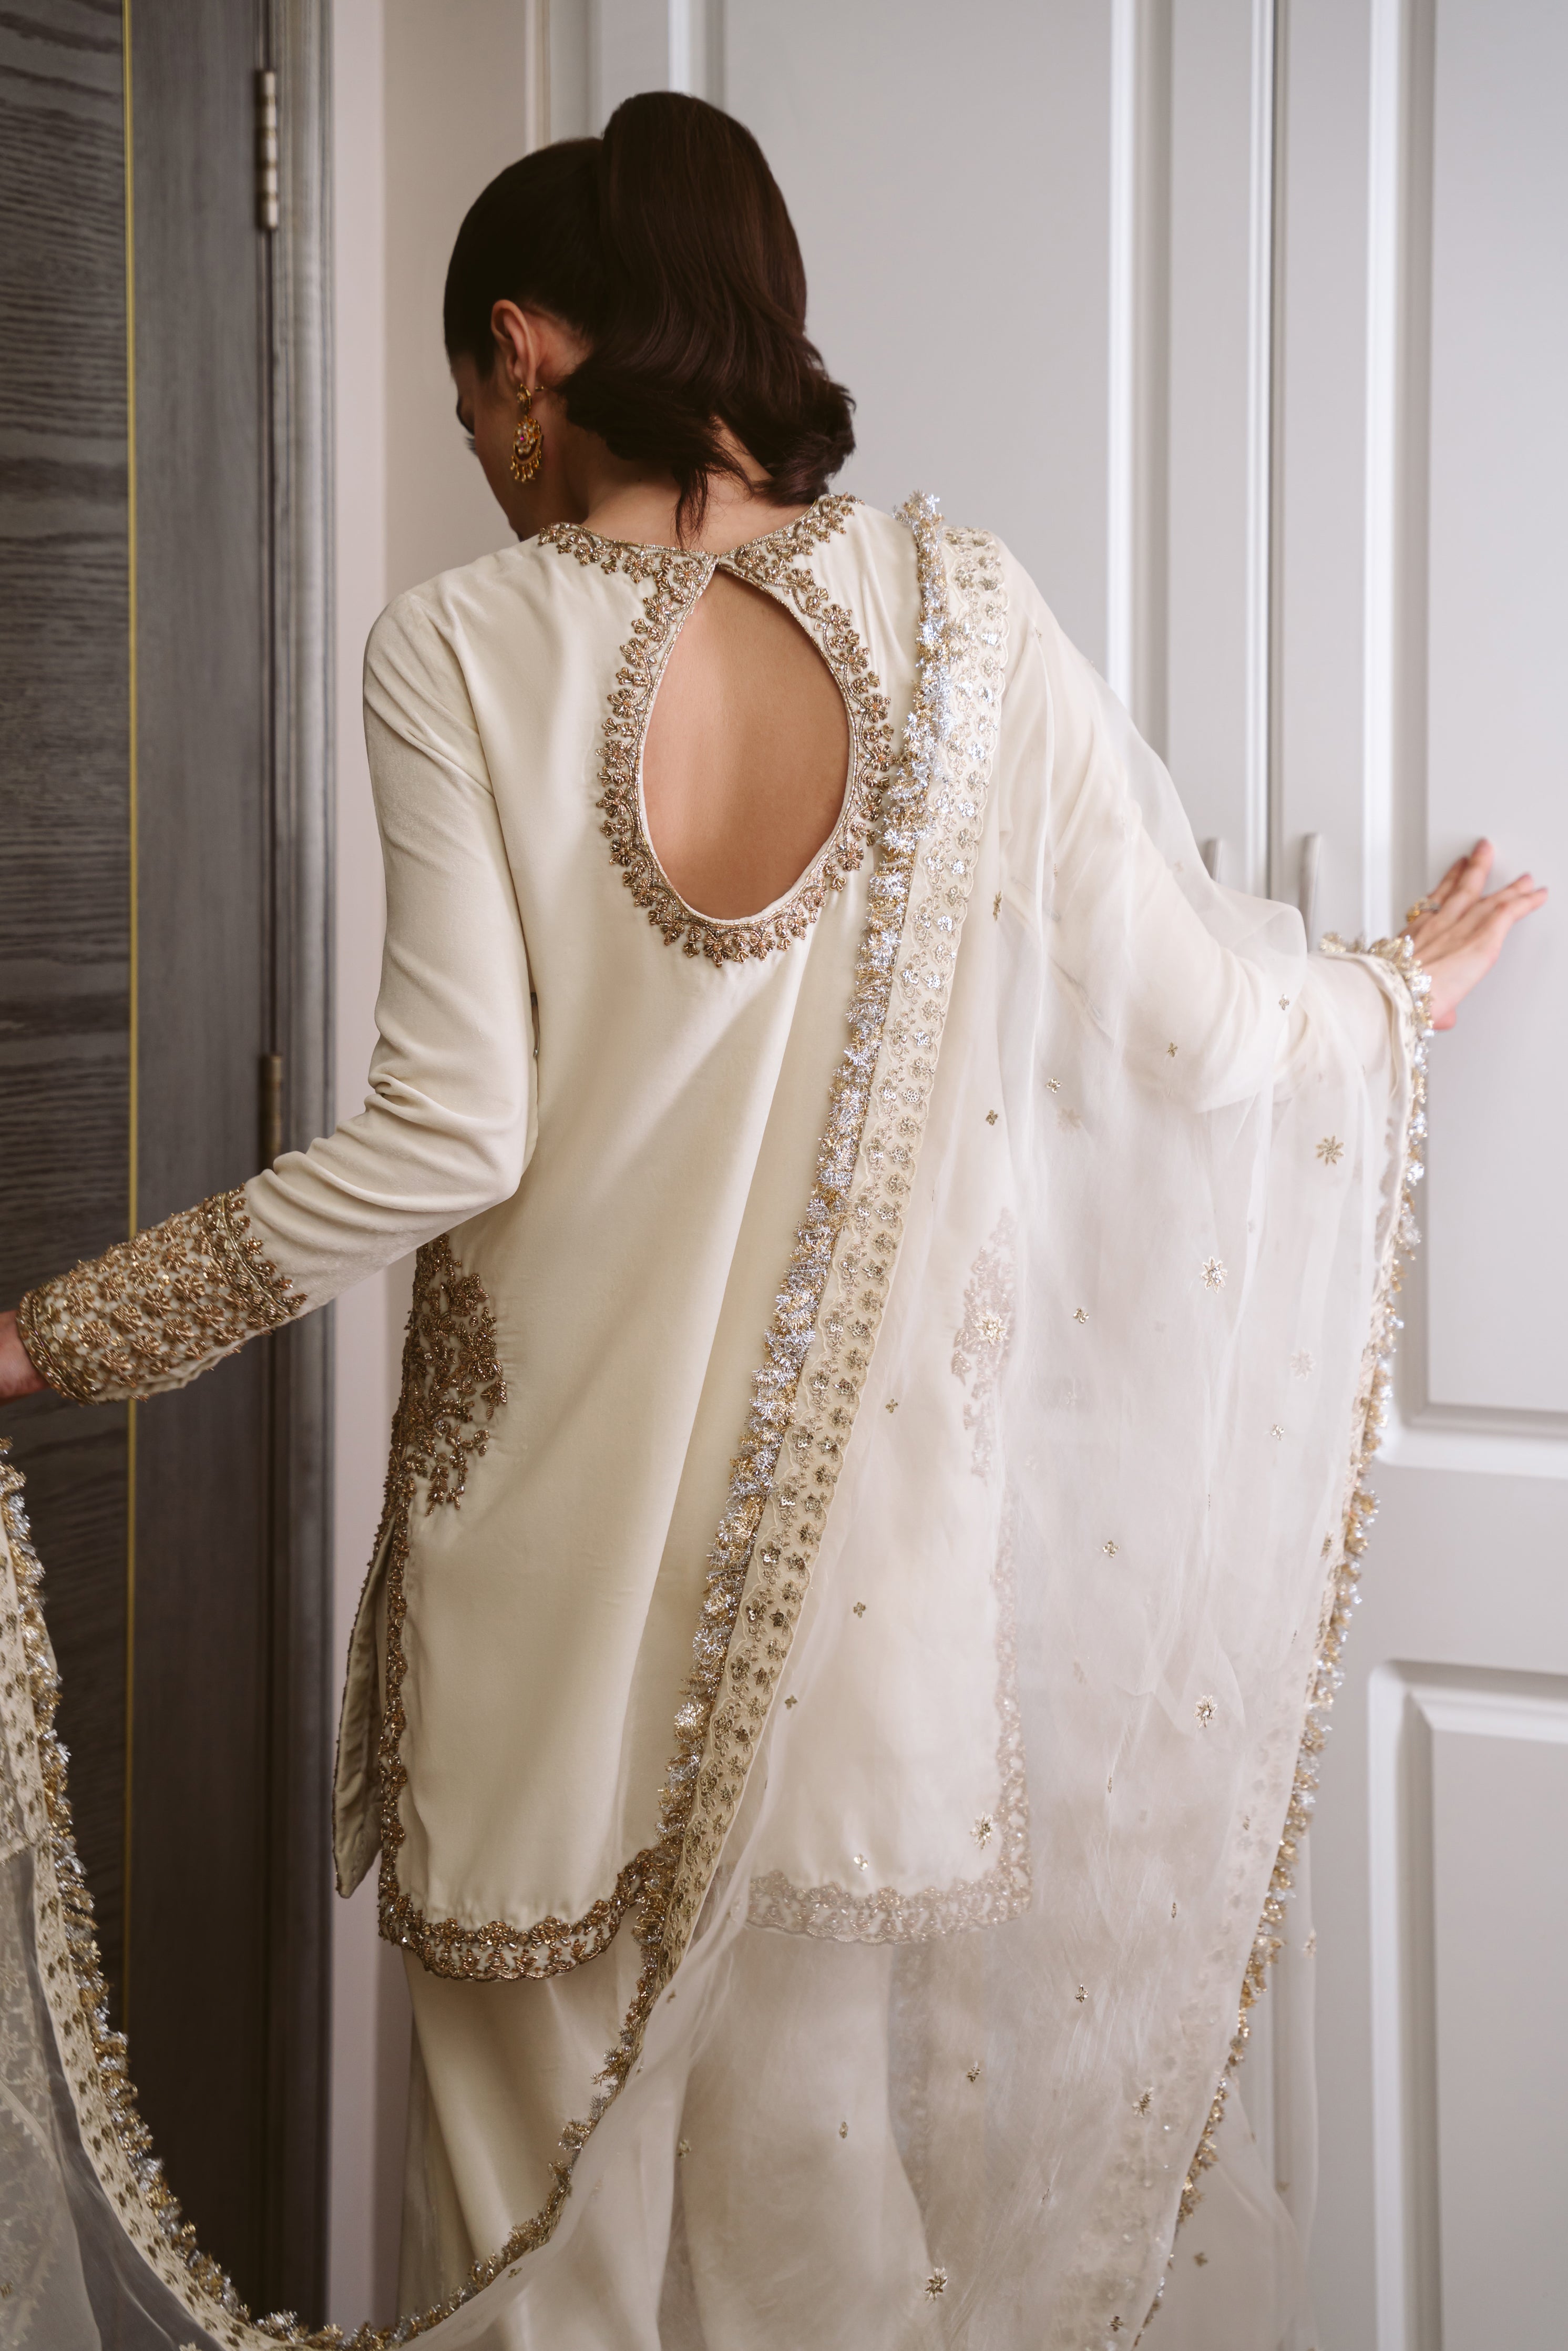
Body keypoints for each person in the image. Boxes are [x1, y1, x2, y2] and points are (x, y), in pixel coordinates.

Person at [0, 90, 1545, 2351]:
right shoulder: (972, 620)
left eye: (472, 404)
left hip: (537, 1627)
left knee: (529, 2279)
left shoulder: (458, 648)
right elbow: (1207, 1024)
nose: (485, 456)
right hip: (856, 1644)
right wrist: (1394, 989)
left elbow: (445, 1142)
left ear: (524, 351)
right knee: (827, 2261)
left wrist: (63, 1333)